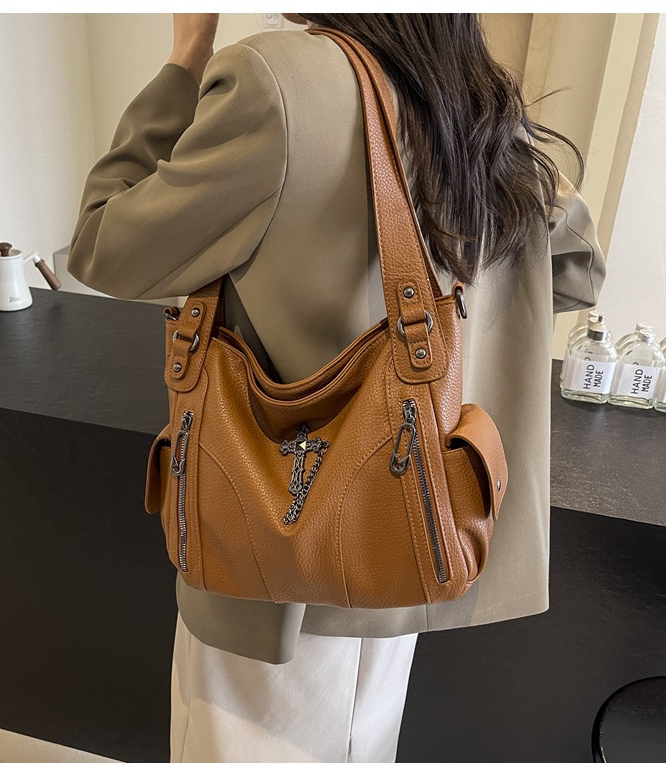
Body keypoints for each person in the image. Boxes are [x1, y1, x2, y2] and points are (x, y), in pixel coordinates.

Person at [67, 13, 606, 763]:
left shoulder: (273, 80)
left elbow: (103, 246)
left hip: (271, 570)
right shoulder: (470, 98)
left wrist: (185, 59)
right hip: (408, 536)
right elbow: (577, 270)